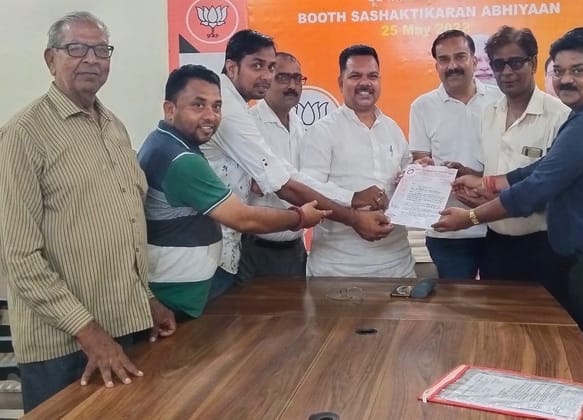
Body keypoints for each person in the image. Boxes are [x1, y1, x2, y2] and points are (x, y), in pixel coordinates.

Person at [433, 27, 583, 409]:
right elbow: (544, 168)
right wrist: (489, 182)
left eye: (579, 70)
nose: (566, 79)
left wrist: (470, 216)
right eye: (560, 71)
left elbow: (535, 190)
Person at [0, 12, 175, 412]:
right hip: (63, 347)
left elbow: (125, 227)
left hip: (123, 328)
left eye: (101, 50)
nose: (91, 59)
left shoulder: (114, 127)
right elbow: (20, 256)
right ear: (51, 59)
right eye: (76, 48)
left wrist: (146, 298)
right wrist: (89, 333)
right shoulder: (23, 135)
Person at [201, 30, 393, 289]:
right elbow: (284, 183)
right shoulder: (234, 113)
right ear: (232, 68)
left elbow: (298, 178)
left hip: (292, 247)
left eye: (271, 68)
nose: (266, 76)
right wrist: (353, 213)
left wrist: (354, 197)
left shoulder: (300, 125)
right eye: (258, 66)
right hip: (238, 249)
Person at [137, 64, 327, 319]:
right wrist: (300, 217)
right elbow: (242, 218)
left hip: (186, 289)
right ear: (170, 109)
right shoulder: (181, 160)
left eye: (216, 106)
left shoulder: (163, 142)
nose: (210, 116)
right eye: (198, 105)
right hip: (176, 298)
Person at [455, 26, 571, 301]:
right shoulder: (489, 113)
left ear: (533, 63)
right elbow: (495, 174)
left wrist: (492, 200)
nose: (507, 72)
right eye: (499, 64)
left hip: (545, 247)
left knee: (544, 325)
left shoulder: (560, 116)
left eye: (516, 62)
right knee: (497, 321)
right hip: (495, 244)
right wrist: (468, 176)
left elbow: (557, 191)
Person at [300, 45, 415, 277]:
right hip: (338, 270)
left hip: (398, 265)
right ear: (340, 82)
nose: (365, 83)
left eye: (372, 76)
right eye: (355, 76)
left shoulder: (392, 129)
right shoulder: (322, 131)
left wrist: (418, 175)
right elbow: (308, 191)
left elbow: (406, 177)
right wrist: (352, 198)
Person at [408, 30, 501, 279]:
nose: (452, 66)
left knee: (501, 298)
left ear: (474, 60)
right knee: (456, 300)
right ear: (436, 66)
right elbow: (420, 159)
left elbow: (511, 164)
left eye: (460, 57)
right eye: (444, 59)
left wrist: (477, 178)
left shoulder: (500, 100)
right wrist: (423, 167)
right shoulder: (422, 106)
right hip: (447, 229)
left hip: (497, 225)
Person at [239, 52, 308, 280]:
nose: (292, 86)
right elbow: (274, 184)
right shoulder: (250, 124)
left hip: (295, 248)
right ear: (268, 79)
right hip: (256, 249)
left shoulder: (299, 125)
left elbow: (305, 179)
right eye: (283, 78)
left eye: (297, 78)